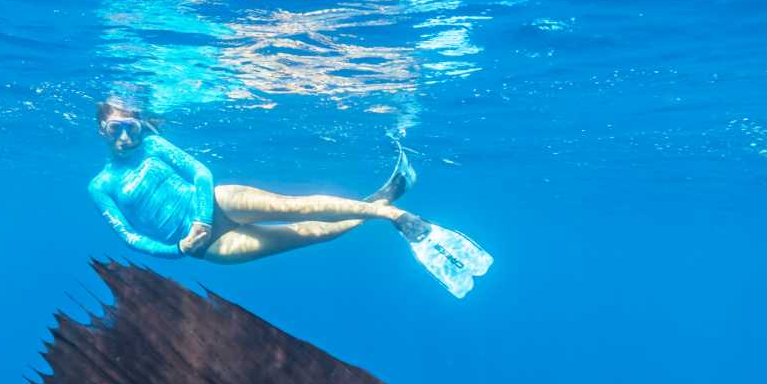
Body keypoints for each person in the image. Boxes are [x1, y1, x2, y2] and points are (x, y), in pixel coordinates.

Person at [85, 98, 491, 294]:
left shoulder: (155, 147)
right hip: (207, 247)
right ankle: (381, 204)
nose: (125, 137)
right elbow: (129, 238)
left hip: (217, 204)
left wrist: (201, 218)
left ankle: (392, 216)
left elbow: (201, 172)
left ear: (140, 127)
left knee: (292, 206)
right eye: (115, 129)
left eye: (131, 128)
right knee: (308, 233)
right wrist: (178, 248)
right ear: (102, 131)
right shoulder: (100, 186)